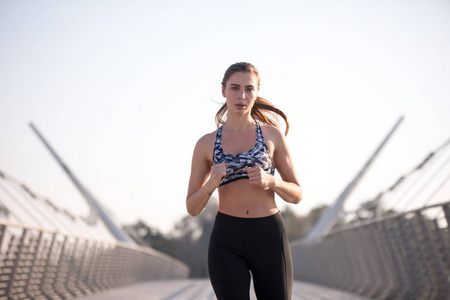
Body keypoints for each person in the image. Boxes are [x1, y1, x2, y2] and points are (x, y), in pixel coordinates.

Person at [186, 62, 302, 300]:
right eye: (235, 88)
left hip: (269, 235)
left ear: (257, 92)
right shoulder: (206, 144)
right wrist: (210, 185)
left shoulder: (272, 135)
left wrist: (272, 181)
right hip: (227, 239)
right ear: (223, 91)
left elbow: (297, 194)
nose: (242, 95)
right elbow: (192, 207)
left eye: (249, 89)